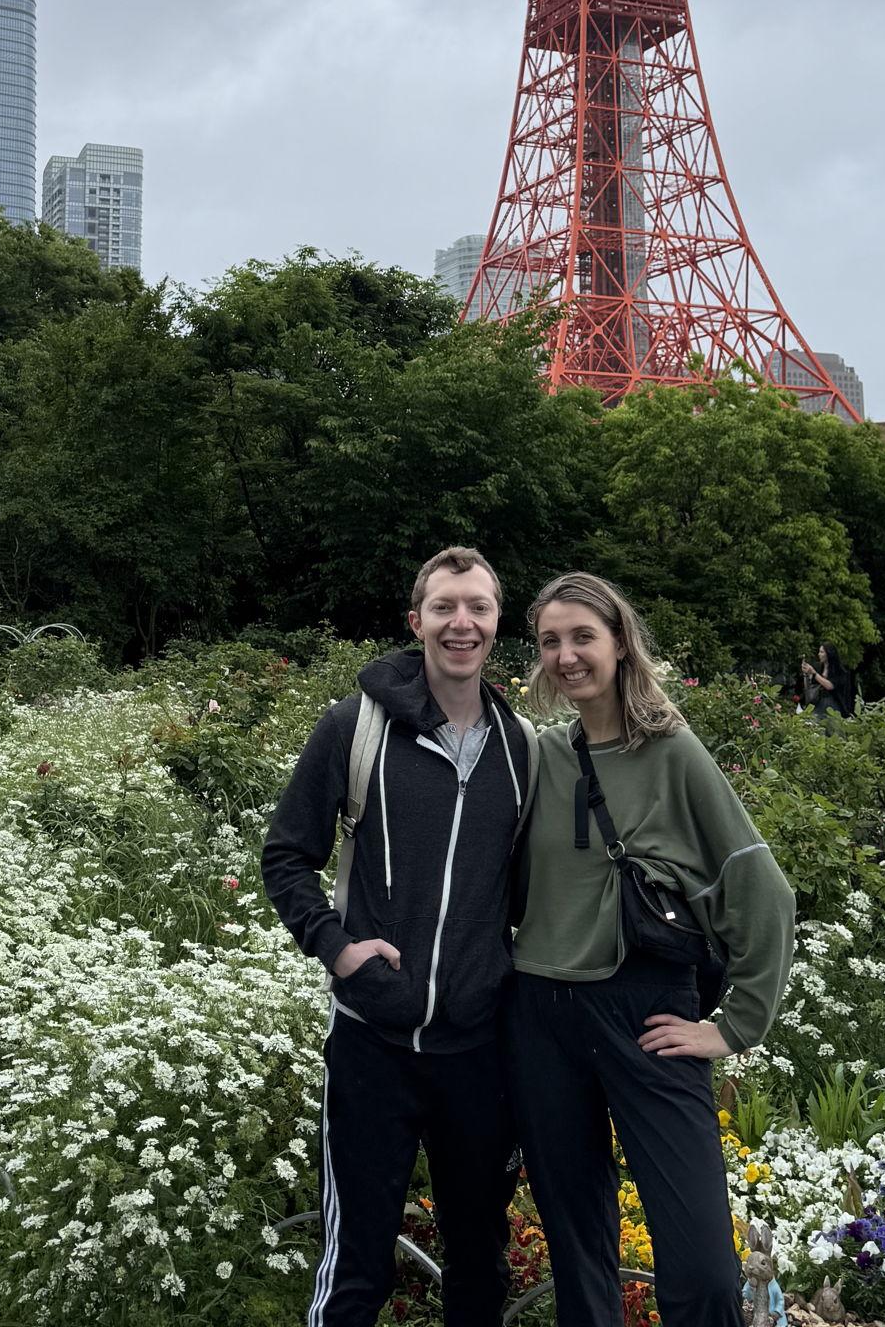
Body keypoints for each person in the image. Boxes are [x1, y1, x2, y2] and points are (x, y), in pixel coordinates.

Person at [508, 572, 796, 1327]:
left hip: (649, 1017)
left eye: (582, 637)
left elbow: (761, 886)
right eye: (550, 642)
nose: (567, 656)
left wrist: (732, 1027)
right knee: (577, 1248)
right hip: (541, 1016)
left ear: (620, 645)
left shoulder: (672, 751)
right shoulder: (540, 755)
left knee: (700, 1259)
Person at [263, 545, 537, 1327]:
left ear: (496, 624)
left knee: (479, 1270)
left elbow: (521, 894)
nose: (462, 623)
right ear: (416, 621)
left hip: (478, 1055)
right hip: (372, 1042)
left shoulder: (520, 750)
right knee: (356, 1269)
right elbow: (286, 856)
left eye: (478, 607)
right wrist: (335, 946)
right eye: (446, 607)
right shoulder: (357, 730)